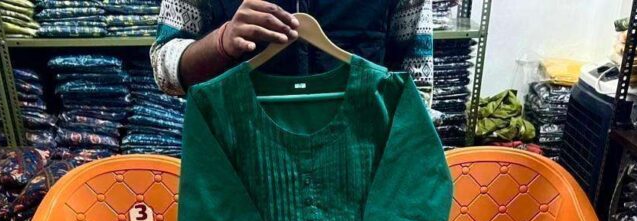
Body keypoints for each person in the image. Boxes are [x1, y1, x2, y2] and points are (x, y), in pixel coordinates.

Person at [150, 0, 433, 104]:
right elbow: (165, 71)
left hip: (361, 161)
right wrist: (221, 42)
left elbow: (418, 87)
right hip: (241, 162)